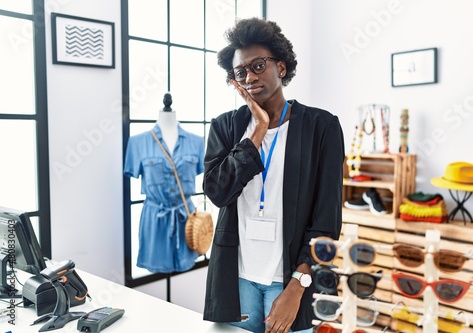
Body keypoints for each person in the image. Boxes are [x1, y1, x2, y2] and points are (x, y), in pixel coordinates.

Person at [202, 17, 345, 333]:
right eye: (241, 72)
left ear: (281, 67)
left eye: (258, 66)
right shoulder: (225, 127)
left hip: (291, 278)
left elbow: (327, 219)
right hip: (236, 278)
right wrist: (258, 131)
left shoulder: (322, 127)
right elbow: (217, 192)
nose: (250, 76)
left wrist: (298, 285)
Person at [124, 93, 205, 274]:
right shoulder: (138, 142)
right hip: (155, 218)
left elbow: (200, 170)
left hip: (187, 219)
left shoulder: (197, 142)